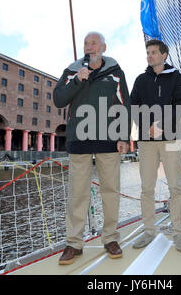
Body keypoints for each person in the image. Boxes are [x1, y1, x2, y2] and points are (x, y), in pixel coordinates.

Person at [53, 31, 131, 265]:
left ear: (103, 47)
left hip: (108, 139)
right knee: (78, 193)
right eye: (86, 43)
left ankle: (110, 238)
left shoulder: (115, 72)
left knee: (111, 191)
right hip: (79, 139)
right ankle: (74, 244)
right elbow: (58, 100)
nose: (90, 46)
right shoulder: (72, 71)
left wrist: (124, 136)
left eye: (94, 42)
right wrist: (78, 79)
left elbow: (124, 104)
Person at [130, 39, 181, 251]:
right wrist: (148, 127)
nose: (149, 55)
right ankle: (148, 231)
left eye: (153, 52)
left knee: (175, 186)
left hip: (172, 138)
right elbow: (133, 105)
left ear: (164, 55)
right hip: (147, 142)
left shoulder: (175, 77)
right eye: (148, 52)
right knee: (147, 188)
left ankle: (179, 233)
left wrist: (161, 125)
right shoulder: (140, 79)